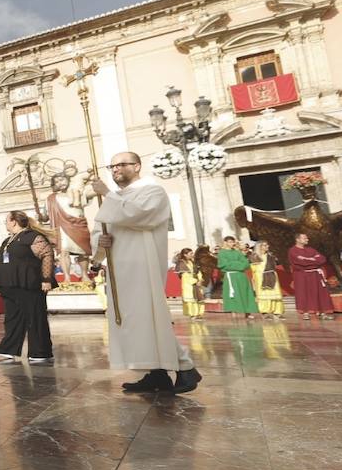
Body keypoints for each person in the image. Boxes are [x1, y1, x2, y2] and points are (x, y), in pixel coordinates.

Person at [88, 152, 198, 394]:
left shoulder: (152, 192)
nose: (116, 169)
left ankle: (186, 368)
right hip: (119, 269)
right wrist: (101, 245)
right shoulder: (113, 199)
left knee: (149, 320)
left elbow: (139, 215)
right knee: (132, 324)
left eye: (122, 164)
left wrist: (107, 193)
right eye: (112, 165)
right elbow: (99, 230)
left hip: (142, 267)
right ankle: (155, 374)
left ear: (137, 166)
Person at [0, 212, 54, 364]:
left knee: (35, 317)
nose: (5, 223)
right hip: (11, 286)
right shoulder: (8, 239)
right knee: (12, 318)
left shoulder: (32, 237)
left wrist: (46, 279)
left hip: (29, 284)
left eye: (6, 220)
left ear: (14, 222)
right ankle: (8, 348)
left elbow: (47, 254)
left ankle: (40, 351)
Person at [289, 232, 335, 321]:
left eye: (307, 238)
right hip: (302, 275)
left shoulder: (311, 249)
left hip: (315, 275)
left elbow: (322, 259)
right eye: (305, 238)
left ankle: (322, 312)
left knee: (320, 293)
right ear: (297, 239)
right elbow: (300, 262)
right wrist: (313, 260)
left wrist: (309, 260)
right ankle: (305, 313)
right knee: (304, 293)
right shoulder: (293, 251)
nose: (307, 239)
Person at [216, 235, 258, 321]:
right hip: (231, 276)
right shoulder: (222, 253)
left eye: (233, 242)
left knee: (245, 293)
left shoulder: (237, 252)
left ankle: (248, 312)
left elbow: (245, 263)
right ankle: (234, 311)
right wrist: (238, 264)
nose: (232, 244)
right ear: (226, 243)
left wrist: (235, 264)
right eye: (230, 242)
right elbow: (224, 265)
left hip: (241, 276)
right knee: (233, 294)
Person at [251, 241, 284, 320]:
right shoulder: (255, 256)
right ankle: (265, 312)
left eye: (267, 245)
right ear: (260, 247)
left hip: (272, 275)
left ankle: (277, 311)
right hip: (261, 277)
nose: (267, 246)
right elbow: (254, 268)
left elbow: (277, 264)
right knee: (264, 294)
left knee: (274, 294)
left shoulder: (270, 255)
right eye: (265, 245)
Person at [174, 248, 204, 320]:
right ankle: (193, 314)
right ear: (185, 255)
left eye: (192, 253)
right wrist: (195, 281)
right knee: (191, 300)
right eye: (191, 254)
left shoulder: (193, 262)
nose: (192, 255)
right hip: (189, 284)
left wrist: (200, 279)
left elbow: (198, 271)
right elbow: (185, 276)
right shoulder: (181, 263)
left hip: (197, 282)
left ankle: (199, 313)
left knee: (198, 297)